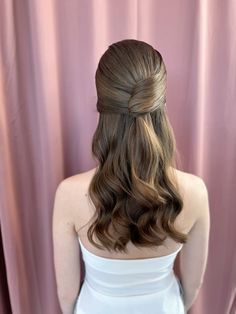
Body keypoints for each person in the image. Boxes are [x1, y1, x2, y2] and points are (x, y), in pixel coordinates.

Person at [52, 39, 210, 314]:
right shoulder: (195, 191)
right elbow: (193, 287)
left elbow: (66, 295)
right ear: (161, 102)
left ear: (102, 105)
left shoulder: (69, 194)